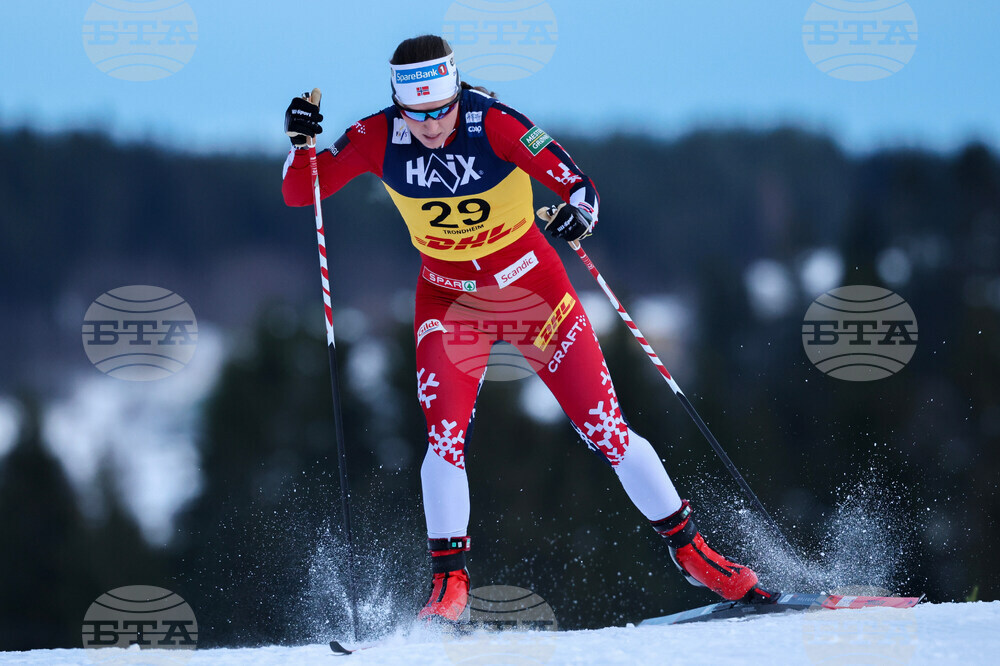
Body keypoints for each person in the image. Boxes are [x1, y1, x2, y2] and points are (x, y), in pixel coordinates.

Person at [282, 34, 767, 623]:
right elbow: (300, 192)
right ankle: (449, 585)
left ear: (457, 91)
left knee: (606, 430)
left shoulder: (498, 124)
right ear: (397, 103)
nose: (432, 126)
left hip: (532, 293)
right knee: (444, 437)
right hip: (449, 301)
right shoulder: (375, 136)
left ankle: (692, 552)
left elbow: (578, 184)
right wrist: (301, 144)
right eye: (417, 114)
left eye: (441, 110)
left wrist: (576, 213)